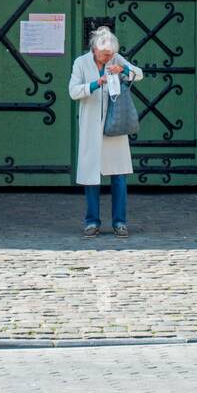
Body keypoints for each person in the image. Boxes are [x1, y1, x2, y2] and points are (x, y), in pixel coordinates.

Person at [68, 26, 143, 237]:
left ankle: (120, 222)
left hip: (114, 125)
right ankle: (92, 221)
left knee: (118, 175)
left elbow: (139, 75)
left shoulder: (116, 59)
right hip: (91, 126)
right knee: (92, 176)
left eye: (110, 55)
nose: (107, 58)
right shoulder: (81, 63)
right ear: (94, 49)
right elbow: (73, 91)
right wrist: (94, 84)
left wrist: (124, 70)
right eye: (104, 55)